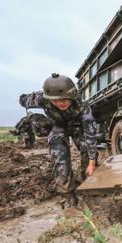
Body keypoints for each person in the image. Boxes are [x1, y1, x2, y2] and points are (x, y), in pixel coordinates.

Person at [19, 73, 98, 202]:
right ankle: (67, 195)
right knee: (60, 154)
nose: (60, 103)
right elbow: (23, 100)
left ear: (72, 95)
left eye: (64, 99)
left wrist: (91, 162)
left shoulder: (83, 107)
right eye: (55, 100)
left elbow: (90, 134)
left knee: (87, 150)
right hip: (57, 126)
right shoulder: (41, 98)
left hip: (77, 127)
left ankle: (87, 181)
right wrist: (24, 102)